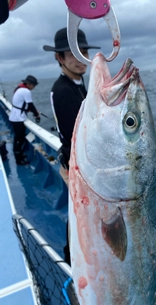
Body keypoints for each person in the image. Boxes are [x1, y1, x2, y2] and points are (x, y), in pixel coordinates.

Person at [43, 27, 100, 264]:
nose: (81, 58)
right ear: (59, 58)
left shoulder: (77, 83)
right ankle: (72, 259)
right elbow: (76, 134)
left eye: (83, 51)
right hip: (77, 165)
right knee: (79, 216)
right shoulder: (64, 90)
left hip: (78, 162)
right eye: (73, 53)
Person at [9, 75, 41, 165]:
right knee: (19, 140)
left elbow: (22, 104)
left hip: (15, 117)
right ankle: (18, 160)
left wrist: (33, 111)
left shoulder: (20, 88)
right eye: (34, 85)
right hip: (17, 119)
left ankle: (20, 155)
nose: (34, 87)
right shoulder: (26, 91)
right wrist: (36, 114)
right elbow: (30, 104)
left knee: (20, 138)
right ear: (30, 84)